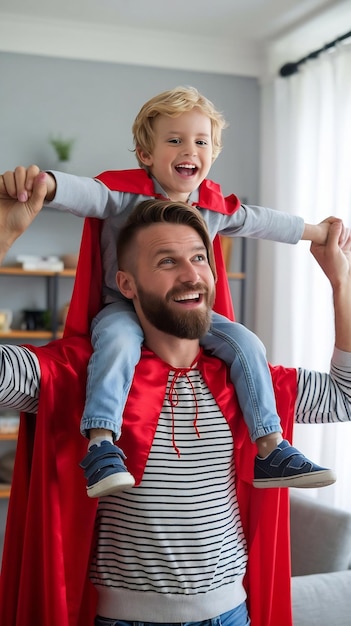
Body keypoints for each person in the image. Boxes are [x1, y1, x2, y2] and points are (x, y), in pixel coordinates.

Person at [0, 186, 351, 626]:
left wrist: (342, 281)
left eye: (199, 258)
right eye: (167, 261)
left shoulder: (248, 382)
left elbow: (344, 396)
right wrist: (2, 235)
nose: (191, 275)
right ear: (126, 283)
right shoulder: (84, 377)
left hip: (231, 615)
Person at [1, 86, 338, 498]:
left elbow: (263, 221)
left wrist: (320, 233)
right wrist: (43, 184)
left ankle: (269, 445)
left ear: (213, 154)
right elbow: (82, 193)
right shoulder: (122, 194)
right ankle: (102, 443)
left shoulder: (213, 207)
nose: (189, 149)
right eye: (174, 140)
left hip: (189, 313)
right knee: (118, 342)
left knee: (246, 342)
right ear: (147, 155)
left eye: (201, 141)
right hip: (124, 307)